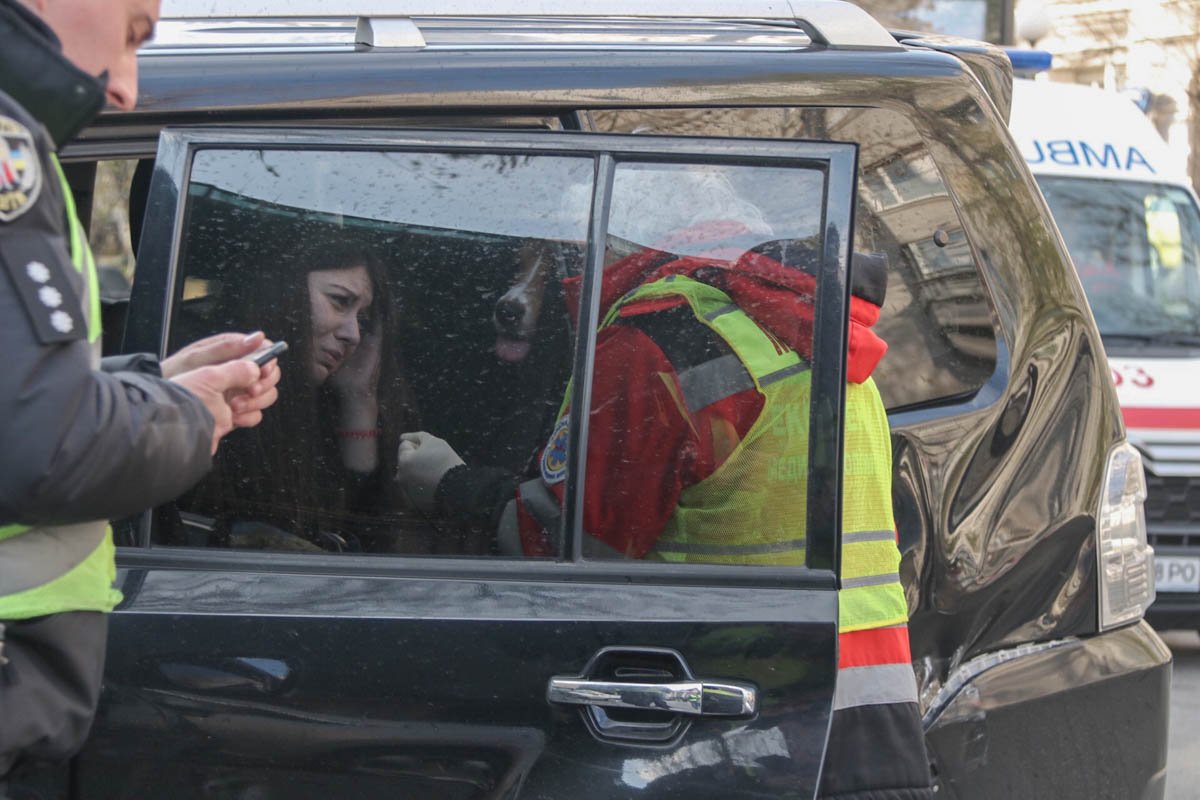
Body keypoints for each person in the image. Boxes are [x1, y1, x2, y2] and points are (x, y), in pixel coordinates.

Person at [395, 225, 934, 799]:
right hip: (869, 724)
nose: (564, 257)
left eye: (563, 241)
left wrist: (448, 484)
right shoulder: (825, 335)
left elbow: (559, 547)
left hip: (718, 729)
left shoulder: (658, 338)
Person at [0, 0, 282, 779]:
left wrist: (158, 386)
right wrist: (185, 413)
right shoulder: (6, 150)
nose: (125, 87)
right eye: (132, 33)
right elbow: (44, 448)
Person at [184, 236, 419, 552]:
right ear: (280, 291)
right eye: (339, 301)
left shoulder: (322, 406)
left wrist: (359, 399)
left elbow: (366, 534)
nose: (354, 335)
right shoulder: (205, 397)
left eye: (362, 319)